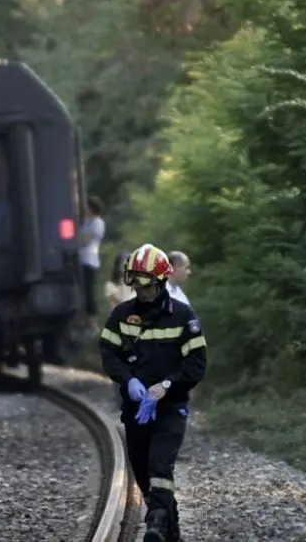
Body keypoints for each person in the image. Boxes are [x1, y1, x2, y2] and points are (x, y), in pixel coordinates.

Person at [99, 243, 207, 542]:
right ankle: (171, 533)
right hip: (136, 410)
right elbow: (109, 353)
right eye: (136, 286)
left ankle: (156, 523)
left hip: (171, 407)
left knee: (160, 464)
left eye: (146, 286)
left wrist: (167, 386)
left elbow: (196, 363)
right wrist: (128, 380)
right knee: (144, 472)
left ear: (160, 283)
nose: (141, 293)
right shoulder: (121, 316)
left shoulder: (183, 317)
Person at [79, 196, 106, 336]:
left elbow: (85, 239)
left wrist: (78, 238)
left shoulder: (97, 223)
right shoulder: (86, 222)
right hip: (81, 259)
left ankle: (93, 324)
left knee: (90, 292)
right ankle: (85, 323)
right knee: (83, 292)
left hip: (90, 260)